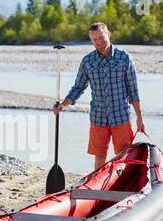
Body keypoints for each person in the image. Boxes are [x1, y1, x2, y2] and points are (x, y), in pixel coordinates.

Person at [53, 22, 145, 171]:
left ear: (108, 34)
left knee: (123, 156)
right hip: (98, 116)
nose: (99, 42)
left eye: (101, 37)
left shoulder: (124, 58)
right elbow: (78, 87)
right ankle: (98, 188)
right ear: (91, 41)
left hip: (121, 115)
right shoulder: (88, 61)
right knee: (99, 156)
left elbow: (133, 91)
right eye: (94, 39)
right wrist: (63, 105)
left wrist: (140, 117)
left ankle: (122, 187)